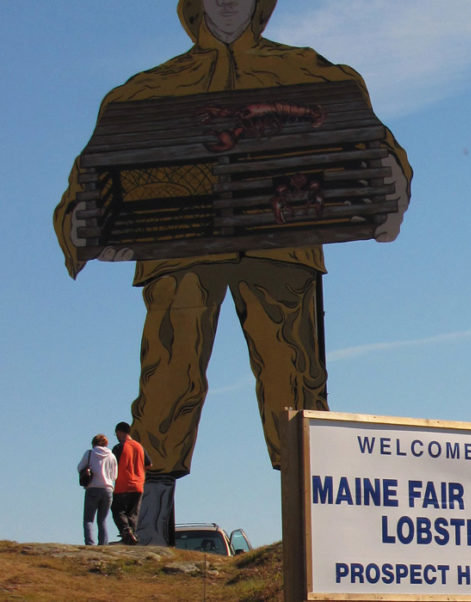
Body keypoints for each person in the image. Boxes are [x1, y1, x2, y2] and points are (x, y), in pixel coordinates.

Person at [52, 0, 412, 545]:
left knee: (296, 384)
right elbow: (89, 181)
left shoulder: (315, 76)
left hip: (281, 253)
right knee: (167, 383)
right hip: (181, 258)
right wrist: (81, 226)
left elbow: (379, 150)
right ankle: (149, 536)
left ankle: (322, 537)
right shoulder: (144, 94)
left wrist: (388, 191)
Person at [111, 422, 152, 545]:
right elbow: (149, 464)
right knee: (132, 513)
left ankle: (126, 530)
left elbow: (112, 464)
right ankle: (131, 537)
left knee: (117, 510)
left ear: (119, 432)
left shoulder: (119, 447)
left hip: (123, 484)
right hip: (138, 485)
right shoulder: (139, 447)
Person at [77, 434, 118, 545]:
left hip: (93, 488)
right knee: (102, 520)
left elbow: (80, 467)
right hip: (108, 489)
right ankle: (103, 544)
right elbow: (115, 476)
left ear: (94, 443)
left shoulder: (90, 453)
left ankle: (90, 543)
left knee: (88, 519)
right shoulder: (112, 456)